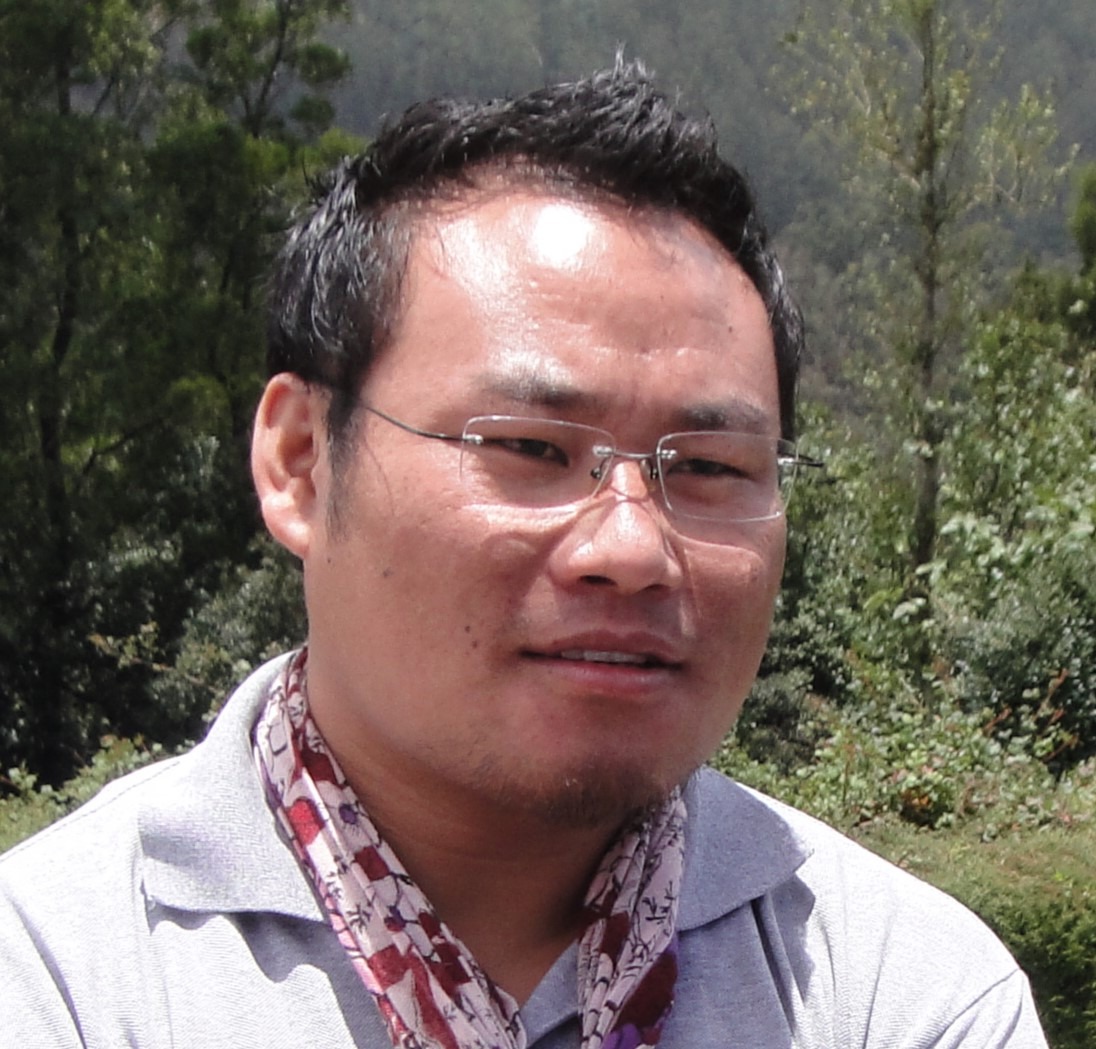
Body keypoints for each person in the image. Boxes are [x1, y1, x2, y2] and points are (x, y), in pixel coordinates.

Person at [0, 62, 1046, 1048]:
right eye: (531, 449)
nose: (631, 546)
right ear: (301, 461)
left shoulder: (897, 990)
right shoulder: (60, 976)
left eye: (709, 467)